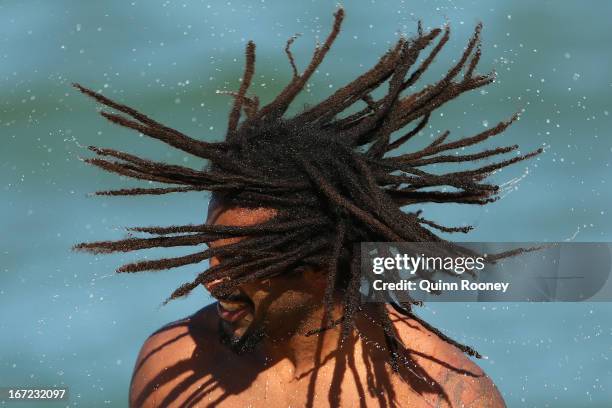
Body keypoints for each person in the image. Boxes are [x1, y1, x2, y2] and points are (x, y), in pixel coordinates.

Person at [74, 8, 539, 407]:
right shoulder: (174, 367)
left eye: (243, 262)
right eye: (212, 250)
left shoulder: (434, 395)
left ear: (322, 267)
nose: (212, 279)